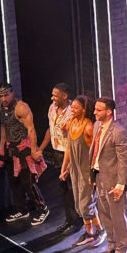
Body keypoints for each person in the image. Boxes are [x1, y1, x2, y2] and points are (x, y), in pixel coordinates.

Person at [0, 81, 49, 225]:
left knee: (28, 182)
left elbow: (31, 129)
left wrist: (33, 149)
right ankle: (23, 209)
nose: (3, 99)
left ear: (12, 93)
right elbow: (4, 128)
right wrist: (1, 148)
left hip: (24, 148)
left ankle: (42, 209)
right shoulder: (1, 107)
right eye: (0, 96)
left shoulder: (21, 107)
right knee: (15, 182)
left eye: (6, 95)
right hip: (11, 148)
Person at [89, 97, 127, 253]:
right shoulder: (97, 125)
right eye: (95, 109)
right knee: (105, 213)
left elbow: (123, 161)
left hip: (114, 181)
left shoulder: (118, 132)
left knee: (118, 215)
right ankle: (112, 245)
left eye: (98, 110)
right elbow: (95, 151)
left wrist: (121, 184)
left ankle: (123, 248)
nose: (95, 112)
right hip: (99, 176)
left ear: (109, 112)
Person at [62, 96, 105, 250]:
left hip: (86, 170)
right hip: (75, 169)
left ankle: (100, 230)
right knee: (79, 206)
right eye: (71, 107)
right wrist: (64, 168)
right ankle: (89, 232)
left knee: (86, 205)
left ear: (84, 110)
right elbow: (69, 148)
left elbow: (95, 152)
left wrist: (94, 174)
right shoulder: (72, 123)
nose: (72, 110)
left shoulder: (88, 127)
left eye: (75, 108)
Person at [38, 83, 80, 233]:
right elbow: (51, 129)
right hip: (57, 152)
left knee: (72, 187)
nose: (52, 97)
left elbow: (73, 138)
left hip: (70, 153)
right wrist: (41, 148)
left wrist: (67, 164)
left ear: (65, 95)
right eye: (52, 94)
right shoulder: (52, 108)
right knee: (63, 188)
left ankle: (78, 221)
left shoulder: (73, 111)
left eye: (55, 95)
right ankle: (69, 219)